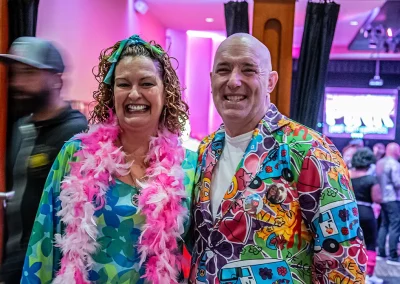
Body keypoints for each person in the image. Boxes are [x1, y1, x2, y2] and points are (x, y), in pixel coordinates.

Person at [189, 33, 366, 284]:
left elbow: (343, 260)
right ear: (211, 79)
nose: (234, 81)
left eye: (248, 70)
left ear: (271, 81)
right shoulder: (204, 151)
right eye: (223, 70)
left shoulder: (309, 149)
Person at [21, 35, 197, 283]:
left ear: (166, 92)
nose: (134, 94)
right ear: (111, 93)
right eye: (124, 84)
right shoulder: (75, 155)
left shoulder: (190, 167)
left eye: (146, 83)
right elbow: (42, 244)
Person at [0, 37, 88, 283]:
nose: (17, 83)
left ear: (56, 79)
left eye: (28, 73)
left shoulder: (76, 134)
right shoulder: (20, 128)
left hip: (44, 268)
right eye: (15, 74)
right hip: (12, 259)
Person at [349, 148, 383, 284]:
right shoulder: (371, 179)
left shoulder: (347, 175)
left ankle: (351, 272)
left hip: (349, 212)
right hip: (367, 213)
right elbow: (377, 198)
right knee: (370, 243)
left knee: (351, 242)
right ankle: (368, 275)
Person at [376, 142, 400, 265]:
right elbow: (397, 183)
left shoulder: (379, 162)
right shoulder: (394, 164)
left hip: (382, 198)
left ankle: (380, 252)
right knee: (395, 225)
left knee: (384, 225)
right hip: (393, 198)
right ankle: (393, 255)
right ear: (395, 151)